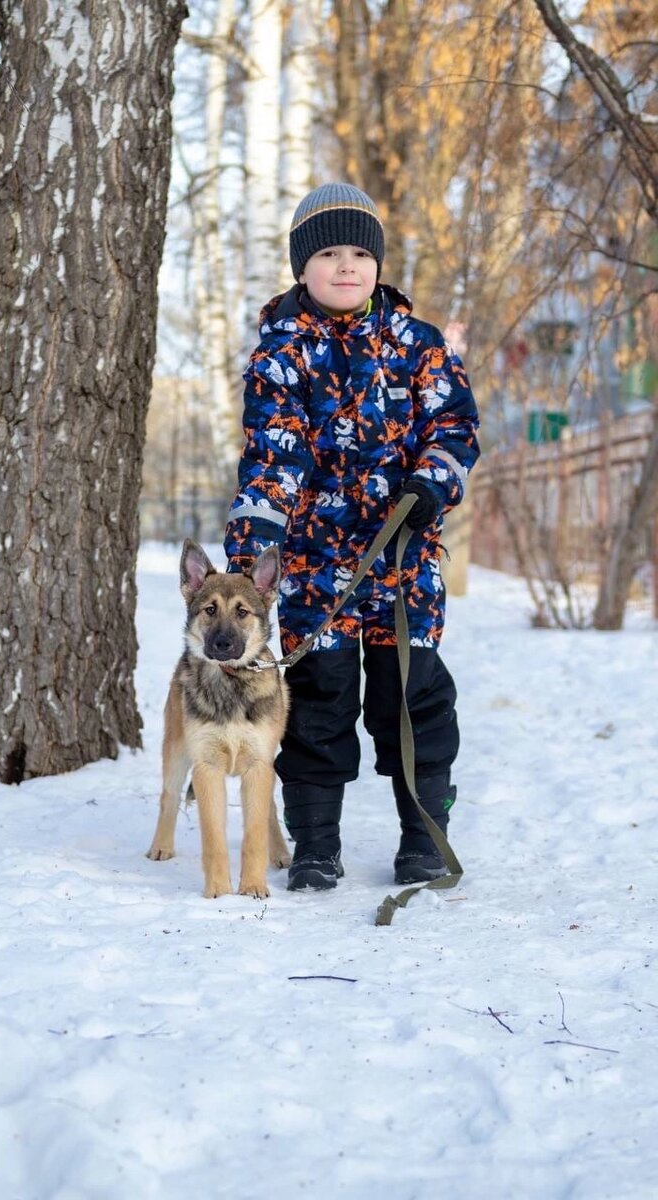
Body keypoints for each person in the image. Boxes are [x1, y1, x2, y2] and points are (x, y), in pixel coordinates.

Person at [224, 182, 480, 891]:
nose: (346, 265)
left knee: (412, 697)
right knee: (318, 701)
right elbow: (272, 457)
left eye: (360, 252)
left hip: (403, 559)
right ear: (302, 267)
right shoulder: (280, 356)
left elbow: (455, 431)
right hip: (312, 567)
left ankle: (424, 836)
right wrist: (252, 551)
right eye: (329, 252)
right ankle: (315, 843)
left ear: (378, 264)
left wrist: (431, 483)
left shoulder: (419, 345)